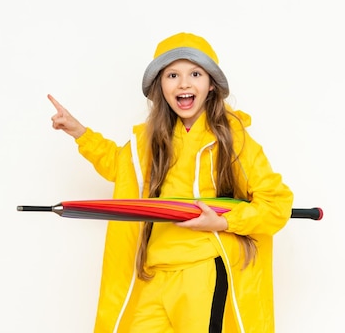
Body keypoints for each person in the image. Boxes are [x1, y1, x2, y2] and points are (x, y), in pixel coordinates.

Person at [47, 32, 294, 333]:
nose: (184, 83)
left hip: (202, 271)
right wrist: (80, 133)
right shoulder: (149, 141)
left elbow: (276, 203)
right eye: (172, 75)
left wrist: (222, 223)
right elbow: (121, 168)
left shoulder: (233, 140)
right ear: (159, 87)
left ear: (211, 84)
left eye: (195, 73)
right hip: (154, 273)